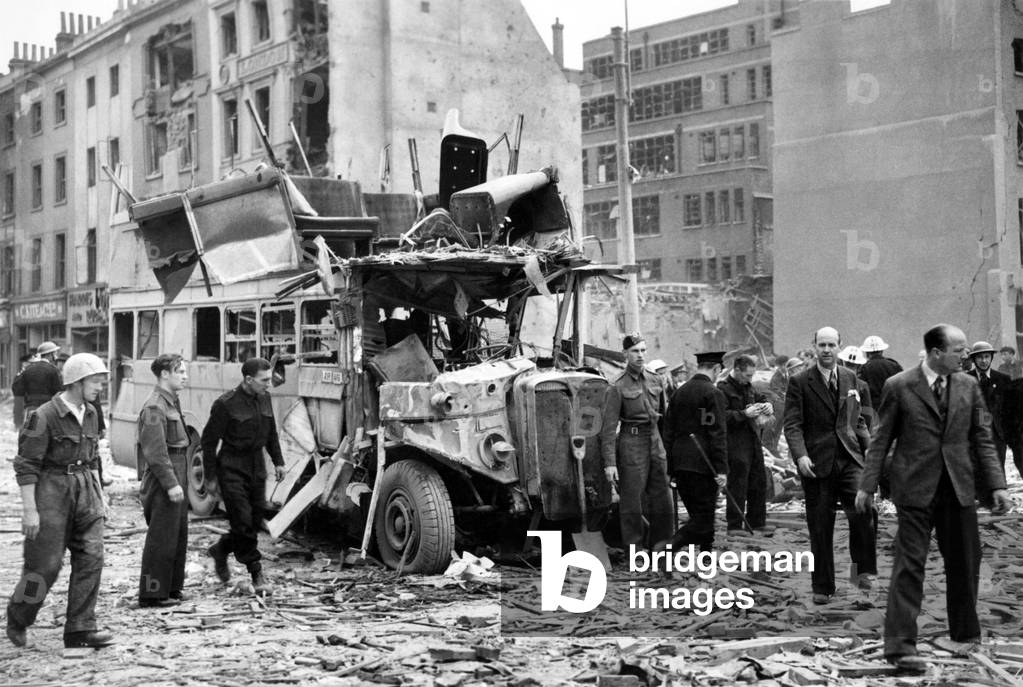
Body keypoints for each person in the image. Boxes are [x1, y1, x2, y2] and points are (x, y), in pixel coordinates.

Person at [856, 324, 1010, 672]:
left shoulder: (968, 386)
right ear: (937, 353)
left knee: (965, 562)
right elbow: (881, 439)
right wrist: (867, 486)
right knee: (909, 566)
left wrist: (997, 485)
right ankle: (900, 647)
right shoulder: (900, 386)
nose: (965, 355)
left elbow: (983, 438)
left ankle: (966, 633)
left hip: (958, 488)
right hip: (914, 489)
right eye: (959, 349)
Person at [6, 353, 114, 649]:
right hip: (51, 493)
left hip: (86, 491)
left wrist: (99, 498)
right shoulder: (42, 416)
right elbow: (26, 465)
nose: (100, 387)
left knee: (92, 557)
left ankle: (80, 628)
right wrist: (30, 511)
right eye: (95, 381)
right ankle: (19, 614)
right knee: (44, 567)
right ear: (77, 382)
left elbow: (93, 459)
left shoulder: (91, 411)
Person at [784, 326, 877, 604]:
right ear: (814, 346)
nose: (826, 350)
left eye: (831, 345)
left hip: (849, 459)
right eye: (821, 345)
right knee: (821, 525)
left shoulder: (850, 378)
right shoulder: (800, 381)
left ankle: (861, 576)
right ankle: (823, 587)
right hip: (817, 462)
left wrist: (870, 448)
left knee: (864, 512)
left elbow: (855, 420)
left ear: (839, 346)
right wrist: (800, 455)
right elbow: (792, 424)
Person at [202, 358, 286, 595]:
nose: (269, 384)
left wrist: (278, 461)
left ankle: (221, 549)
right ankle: (256, 570)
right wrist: (210, 478)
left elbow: (271, 434)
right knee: (242, 518)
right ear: (248, 380)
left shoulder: (265, 398)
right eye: (264, 380)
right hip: (231, 466)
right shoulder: (225, 404)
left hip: (257, 465)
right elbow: (208, 443)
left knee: (253, 519)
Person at [600, 333, 674, 551]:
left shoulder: (656, 379)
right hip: (631, 442)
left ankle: (662, 545)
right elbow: (608, 428)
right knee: (631, 500)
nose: (640, 355)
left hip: (655, 440)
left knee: (663, 495)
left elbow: (664, 420)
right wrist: (610, 463)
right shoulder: (616, 385)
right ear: (625, 354)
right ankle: (636, 549)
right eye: (635, 351)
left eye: (643, 350)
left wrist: (667, 451)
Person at [659, 351, 728, 551]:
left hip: (681, 463)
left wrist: (671, 468)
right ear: (716, 369)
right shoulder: (713, 394)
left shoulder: (679, 392)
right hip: (704, 464)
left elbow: (668, 433)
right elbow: (717, 434)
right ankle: (671, 546)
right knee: (703, 519)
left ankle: (706, 555)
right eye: (719, 372)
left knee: (700, 516)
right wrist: (722, 468)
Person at [137, 354, 191, 608]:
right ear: (165, 374)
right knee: (161, 536)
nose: (185, 376)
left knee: (177, 533)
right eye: (180, 371)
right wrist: (171, 483)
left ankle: (171, 588)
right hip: (163, 474)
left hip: (177, 467)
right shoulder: (155, 406)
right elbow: (155, 451)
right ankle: (152, 593)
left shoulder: (171, 401)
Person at [717, 354, 773, 534]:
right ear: (737, 370)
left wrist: (767, 405)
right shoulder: (722, 389)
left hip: (752, 438)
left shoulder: (748, 387)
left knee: (758, 480)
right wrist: (743, 414)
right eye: (748, 375)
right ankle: (734, 525)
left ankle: (757, 522)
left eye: (752, 375)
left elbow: (760, 397)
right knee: (738, 483)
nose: (750, 379)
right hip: (734, 441)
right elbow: (721, 417)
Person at [966, 341, 1012, 475]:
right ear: (974, 359)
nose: (984, 361)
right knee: (976, 470)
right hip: (974, 433)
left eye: (987, 356)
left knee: (997, 470)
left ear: (991, 358)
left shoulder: (1003, 379)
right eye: (980, 357)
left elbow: (1009, 408)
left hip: (997, 433)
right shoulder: (966, 379)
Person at [11, 342, 63, 420]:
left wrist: (27, 400)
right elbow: (59, 390)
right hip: (48, 408)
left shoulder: (27, 369)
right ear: (49, 355)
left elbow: (17, 389)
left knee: (32, 430)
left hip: (31, 408)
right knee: (50, 430)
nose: (55, 356)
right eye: (54, 353)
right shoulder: (53, 369)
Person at [859, 335, 903, 411]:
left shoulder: (864, 368)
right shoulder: (894, 365)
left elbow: (861, 390)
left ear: (867, 353)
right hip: (892, 409)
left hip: (873, 410)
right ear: (882, 351)